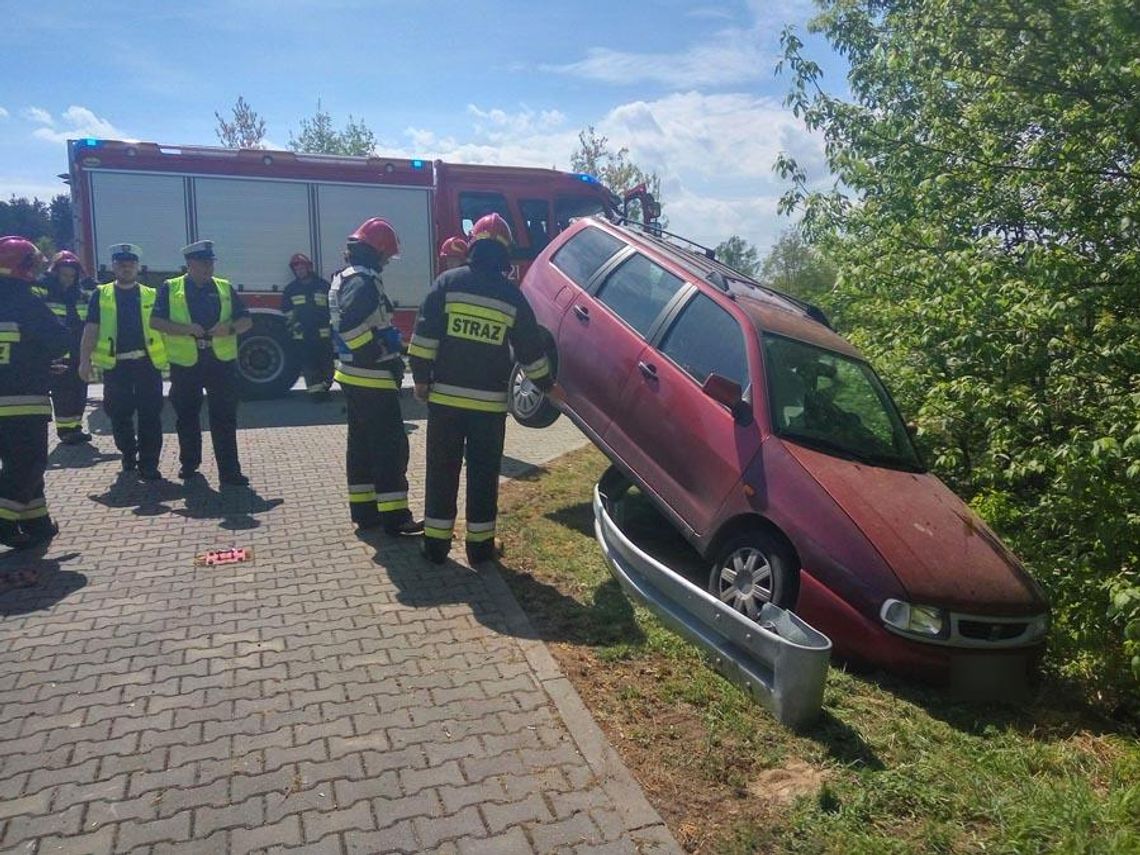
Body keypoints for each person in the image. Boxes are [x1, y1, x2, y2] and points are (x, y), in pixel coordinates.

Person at [408, 213, 558, 565]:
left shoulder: (447, 284)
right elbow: (530, 351)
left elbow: (423, 339)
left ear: (472, 245)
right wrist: (548, 385)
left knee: (441, 472)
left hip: (444, 402)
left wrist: (420, 380)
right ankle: (479, 549)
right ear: (504, 254)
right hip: (489, 409)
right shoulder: (512, 296)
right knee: (483, 476)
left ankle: (435, 546)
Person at [328, 218, 421, 536]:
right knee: (390, 448)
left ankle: (366, 513)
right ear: (376, 251)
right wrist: (375, 349)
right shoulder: (364, 281)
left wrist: (382, 337)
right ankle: (396, 518)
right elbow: (349, 324)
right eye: (386, 256)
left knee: (362, 448)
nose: (386, 262)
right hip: (371, 377)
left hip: (353, 375)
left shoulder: (346, 276)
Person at [150, 240, 253, 485]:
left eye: (210, 263)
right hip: (186, 364)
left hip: (220, 363)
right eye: (202, 263)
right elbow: (156, 322)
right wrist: (186, 329)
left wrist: (228, 328)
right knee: (186, 416)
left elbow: (246, 321)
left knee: (225, 417)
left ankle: (230, 472)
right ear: (189, 264)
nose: (208, 268)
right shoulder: (171, 288)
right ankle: (190, 464)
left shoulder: (224, 287)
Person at [0, 237, 70, 549]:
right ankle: (3, 522)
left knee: (19, 464)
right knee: (27, 464)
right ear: (24, 267)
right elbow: (58, 341)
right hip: (22, 401)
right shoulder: (25, 300)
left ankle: (36, 523)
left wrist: (36, 360)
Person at [77, 244, 168, 480]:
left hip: (147, 364)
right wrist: (84, 361)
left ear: (137, 267)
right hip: (117, 366)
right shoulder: (102, 293)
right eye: (121, 264)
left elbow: (166, 329)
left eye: (130, 264)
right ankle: (128, 451)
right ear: (114, 267)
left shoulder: (151, 294)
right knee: (118, 413)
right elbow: (91, 329)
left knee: (150, 415)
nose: (126, 268)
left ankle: (149, 464)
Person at [39, 251, 96, 443]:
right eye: (64, 275)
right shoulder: (44, 291)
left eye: (72, 276)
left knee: (80, 389)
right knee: (63, 392)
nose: (68, 280)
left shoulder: (82, 294)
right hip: (57, 352)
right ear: (55, 273)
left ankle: (76, 427)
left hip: (79, 350)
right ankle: (65, 431)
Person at [280, 252, 334, 402]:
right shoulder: (291, 289)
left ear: (308, 268)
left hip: (323, 334)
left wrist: (333, 326)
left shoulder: (323, 286)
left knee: (327, 366)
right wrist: (295, 327)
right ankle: (316, 394)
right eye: (296, 270)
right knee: (309, 367)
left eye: (302, 268)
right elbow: (287, 311)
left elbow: (333, 308)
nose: (299, 272)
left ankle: (325, 386)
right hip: (303, 335)